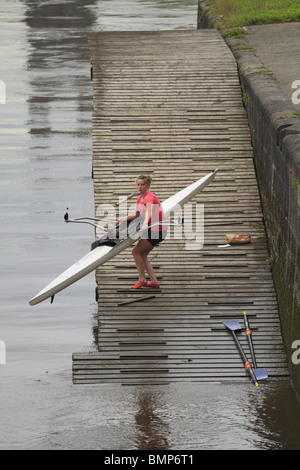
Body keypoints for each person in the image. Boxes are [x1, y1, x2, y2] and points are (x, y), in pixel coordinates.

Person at [116, 175, 167, 289]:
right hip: (152, 229)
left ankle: (142, 279)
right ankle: (154, 282)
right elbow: (136, 215)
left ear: (148, 185)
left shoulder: (149, 197)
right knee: (142, 255)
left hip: (157, 230)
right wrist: (122, 219)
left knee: (136, 252)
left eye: (142, 184)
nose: (140, 187)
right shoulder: (140, 198)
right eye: (138, 184)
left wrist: (144, 224)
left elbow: (148, 212)